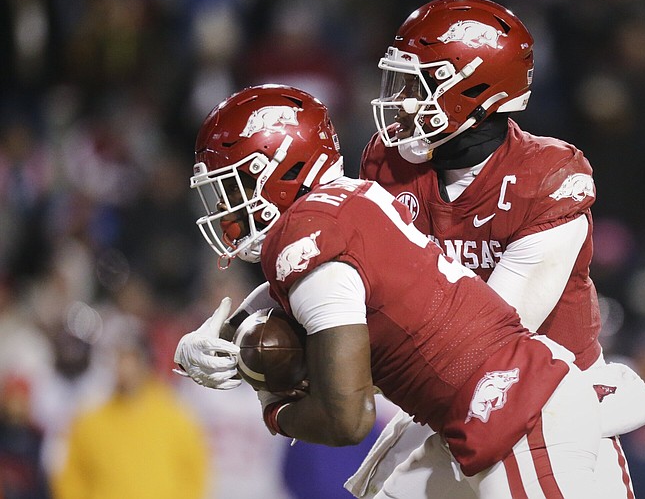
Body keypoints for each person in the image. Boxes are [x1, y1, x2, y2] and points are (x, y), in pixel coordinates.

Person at [175, 83, 602, 497]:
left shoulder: (309, 238)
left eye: (231, 187)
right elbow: (294, 292)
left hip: (521, 416)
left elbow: (348, 419)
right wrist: (215, 337)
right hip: (475, 416)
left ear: (277, 170)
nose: (222, 208)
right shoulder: (343, 205)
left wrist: (272, 405)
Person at [347, 0, 645, 498]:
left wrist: (340, 350)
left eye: (419, 84)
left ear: (475, 91)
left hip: (543, 406)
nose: (402, 102)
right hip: (440, 408)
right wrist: (249, 331)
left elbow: (485, 345)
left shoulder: (545, 177)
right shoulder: (391, 166)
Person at [54, 334, 208, 499]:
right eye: (119, 359)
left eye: (131, 358)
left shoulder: (176, 417)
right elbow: (72, 478)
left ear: (146, 363)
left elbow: (195, 475)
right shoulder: (90, 421)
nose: (124, 367)